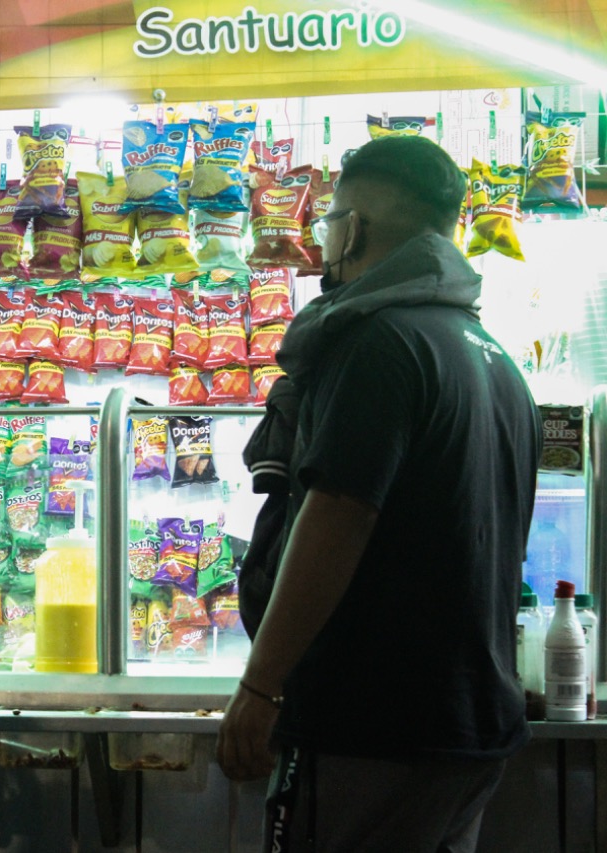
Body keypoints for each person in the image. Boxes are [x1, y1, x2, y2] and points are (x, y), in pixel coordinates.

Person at [216, 135, 541, 852]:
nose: (322, 239)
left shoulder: (378, 344)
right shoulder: (495, 361)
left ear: (354, 230)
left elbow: (338, 516)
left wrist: (261, 686)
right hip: (471, 726)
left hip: (371, 730)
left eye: (328, 221)